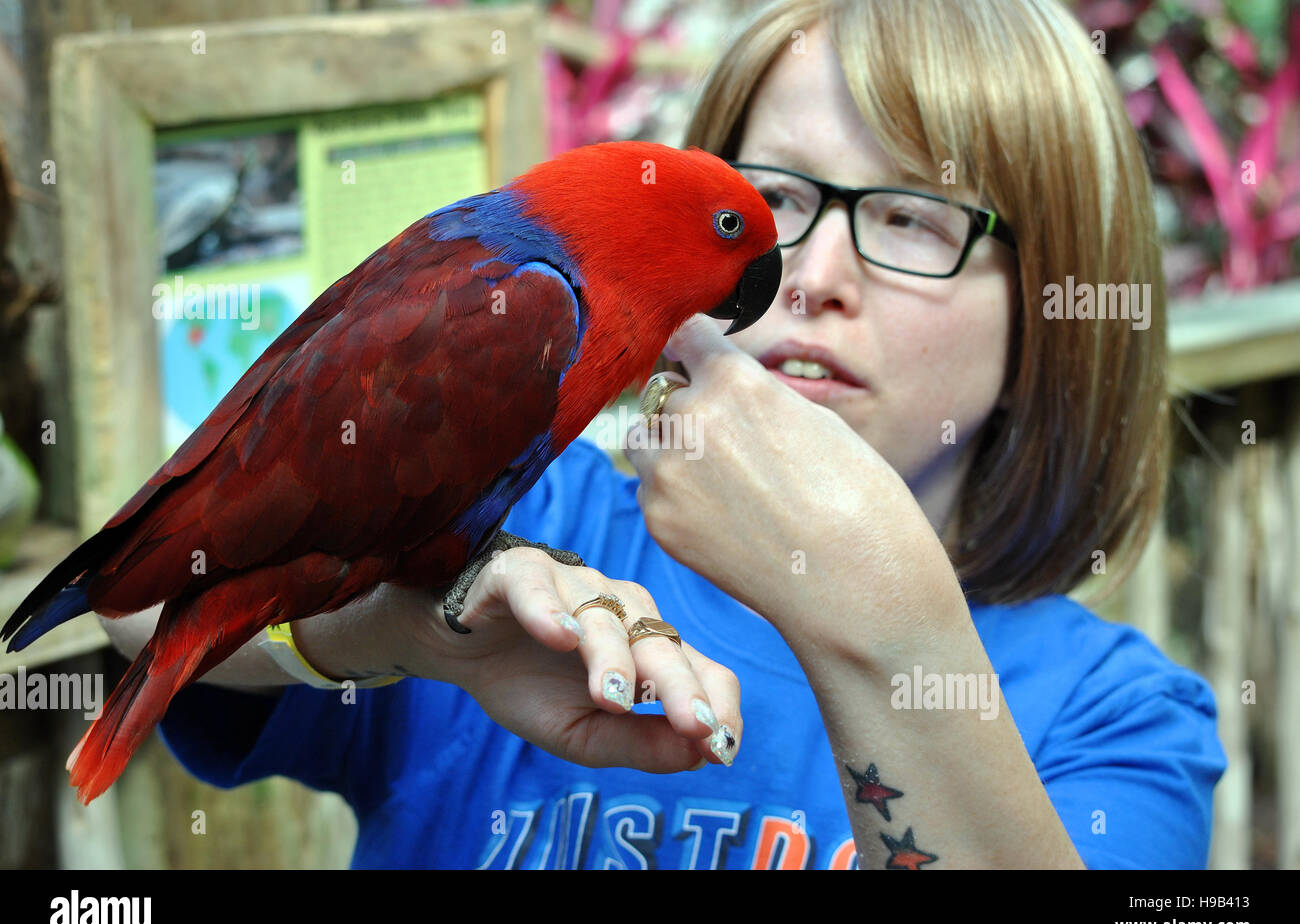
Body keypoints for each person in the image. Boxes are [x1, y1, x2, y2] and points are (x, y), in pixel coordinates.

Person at [101, 0, 1226, 869]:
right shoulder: (533, 526)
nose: (814, 277)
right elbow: (145, 610)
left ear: (1058, 303)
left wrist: (887, 619)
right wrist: (391, 636)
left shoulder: (1122, 723)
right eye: (774, 199)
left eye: (909, 217)